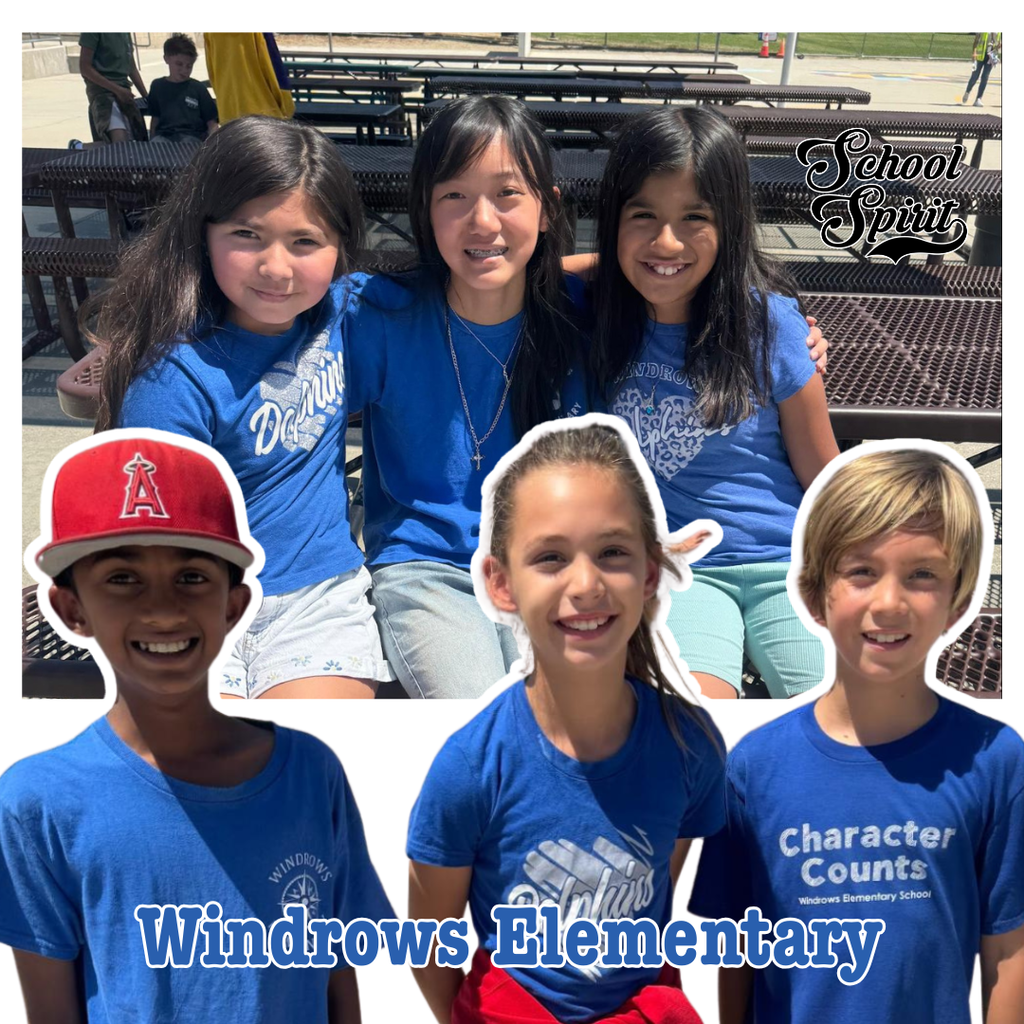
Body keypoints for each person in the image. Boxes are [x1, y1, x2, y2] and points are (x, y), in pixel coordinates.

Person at [2, 431, 394, 1023]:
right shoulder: (37, 802)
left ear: (234, 605)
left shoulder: (313, 775)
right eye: (121, 578)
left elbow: (339, 983)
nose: (162, 609)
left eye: (191, 576)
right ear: (71, 608)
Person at [689, 445, 1024, 1024]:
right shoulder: (751, 768)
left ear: (959, 600)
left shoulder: (995, 760)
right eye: (861, 571)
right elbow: (738, 952)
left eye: (922, 575)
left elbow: (1008, 951)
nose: (888, 603)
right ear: (817, 595)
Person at [407, 418, 726, 1023]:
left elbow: (659, 896)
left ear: (651, 572)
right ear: (501, 584)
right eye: (550, 557)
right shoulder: (469, 768)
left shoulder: (691, 747)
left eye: (612, 552)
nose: (586, 584)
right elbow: (430, 947)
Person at [95, 116, 390, 699]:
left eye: (305, 242)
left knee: (317, 760)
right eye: (246, 235)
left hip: (318, 600)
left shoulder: (346, 311)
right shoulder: (173, 378)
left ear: (340, 250)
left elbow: (466, 285)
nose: (276, 267)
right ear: (202, 233)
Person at [587, 105, 840, 699]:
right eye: (642, 215)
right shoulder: (592, 319)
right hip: (685, 572)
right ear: (611, 222)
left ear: (730, 223)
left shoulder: (771, 327)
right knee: (697, 710)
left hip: (790, 563)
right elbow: (534, 274)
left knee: (836, 708)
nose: (666, 241)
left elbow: (823, 471)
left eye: (694, 217)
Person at [344, 96, 590, 699]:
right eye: (454, 195)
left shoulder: (581, 315)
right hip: (424, 568)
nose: (482, 221)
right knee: (483, 717)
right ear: (425, 211)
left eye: (508, 194)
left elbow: (676, 267)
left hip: (549, 564)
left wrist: (788, 322)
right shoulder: (376, 312)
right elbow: (259, 321)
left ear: (546, 208)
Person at [74, 32, 149, 146]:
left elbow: (131, 67)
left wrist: (146, 96)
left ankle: (82, 147)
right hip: (102, 93)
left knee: (139, 142)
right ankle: (79, 147)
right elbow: (85, 67)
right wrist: (117, 90)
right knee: (119, 143)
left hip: (124, 91)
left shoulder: (125, 33)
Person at [204, 32, 296, 123]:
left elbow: (211, 70)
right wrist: (285, 103)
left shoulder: (210, 33)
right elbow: (272, 66)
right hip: (263, 111)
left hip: (228, 111)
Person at [147, 33, 218, 148]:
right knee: (157, 145)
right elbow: (155, 119)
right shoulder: (157, 86)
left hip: (192, 136)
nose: (184, 70)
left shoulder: (198, 88)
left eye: (189, 66)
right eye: (179, 64)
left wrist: (211, 147)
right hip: (164, 136)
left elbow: (212, 123)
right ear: (166, 59)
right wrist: (151, 142)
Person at [962, 33, 1001, 107]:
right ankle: (967, 91)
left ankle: (978, 99)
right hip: (979, 56)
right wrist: (974, 52)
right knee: (974, 76)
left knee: (985, 77)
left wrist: (998, 47)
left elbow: (997, 45)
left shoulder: (998, 32)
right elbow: (976, 41)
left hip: (990, 57)